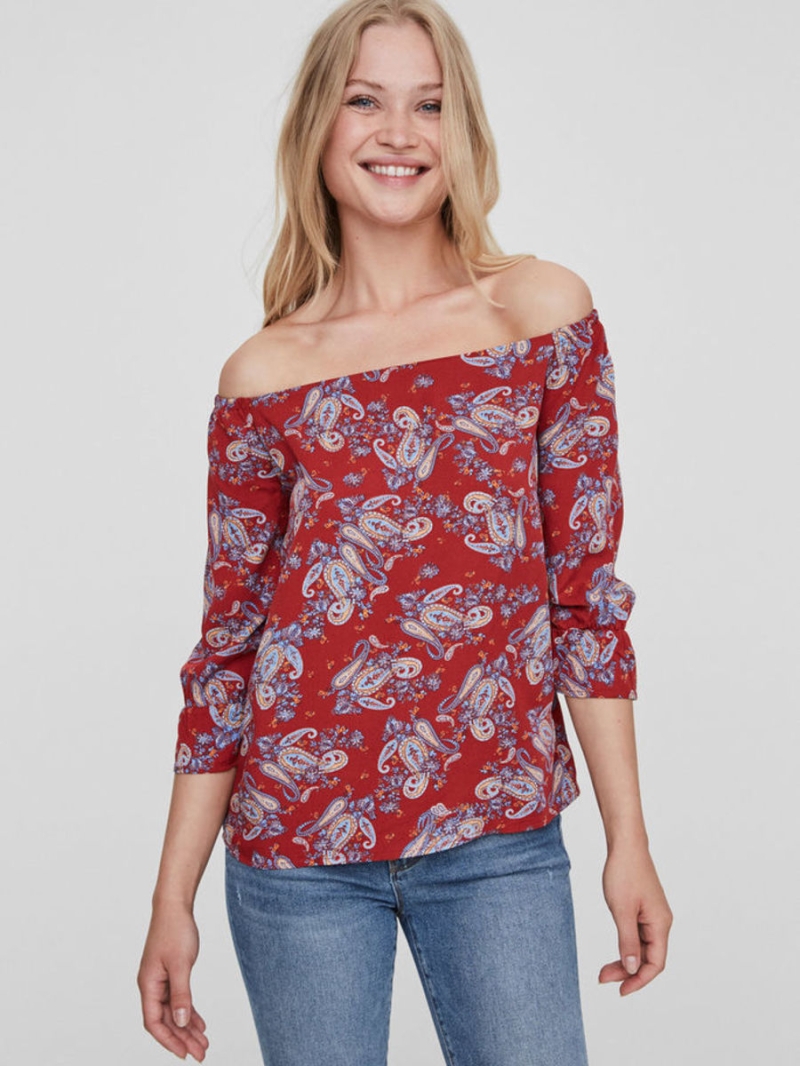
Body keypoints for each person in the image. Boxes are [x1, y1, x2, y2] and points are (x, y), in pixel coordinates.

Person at [137, 1, 673, 1063]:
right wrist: (170, 899)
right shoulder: (264, 375)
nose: (398, 132)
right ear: (317, 128)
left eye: (428, 105)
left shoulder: (539, 317)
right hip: (296, 858)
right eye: (365, 101)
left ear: (460, 129)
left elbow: (585, 601)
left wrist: (629, 840)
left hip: (498, 840)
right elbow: (229, 652)